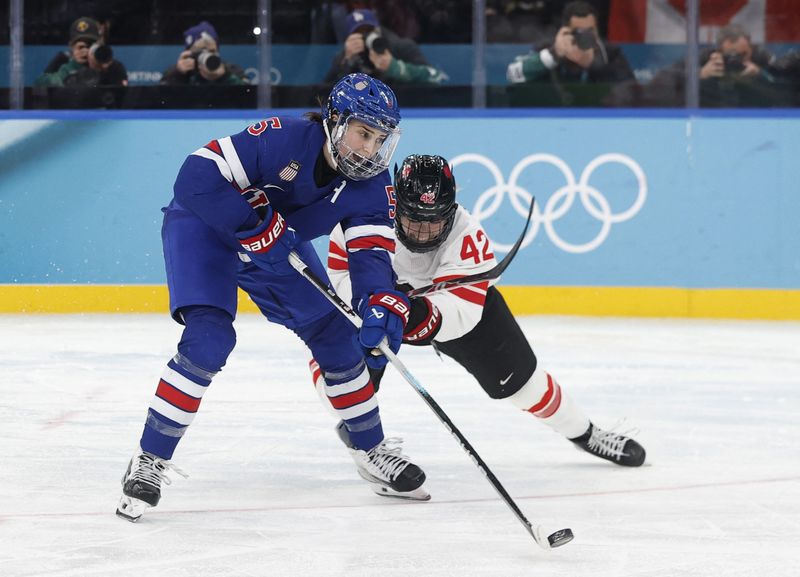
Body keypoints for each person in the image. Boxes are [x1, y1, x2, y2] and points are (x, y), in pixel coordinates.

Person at [116, 73, 429, 523]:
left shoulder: (373, 184)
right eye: (364, 133)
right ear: (335, 121)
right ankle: (149, 457)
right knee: (209, 340)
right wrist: (251, 226)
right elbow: (195, 176)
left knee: (336, 337)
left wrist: (380, 301)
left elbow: (370, 256)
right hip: (205, 229)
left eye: (380, 139)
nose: (370, 149)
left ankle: (370, 449)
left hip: (277, 247)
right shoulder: (282, 137)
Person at [310, 154, 646, 487]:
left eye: (434, 221)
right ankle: (364, 440)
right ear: (396, 207)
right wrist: (378, 306)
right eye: (414, 219)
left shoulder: (467, 235)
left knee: (524, 385)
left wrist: (412, 313)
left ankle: (586, 433)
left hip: (440, 311)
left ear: (451, 211)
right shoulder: (365, 216)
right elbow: (340, 279)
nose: (423, 232)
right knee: (339, 368)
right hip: (374, 307)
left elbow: (460, 315)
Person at [506, 1, 633, 86]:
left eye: (590, 31)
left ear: (597, 30)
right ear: (566, 31)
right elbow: (512, 75)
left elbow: (629, 89)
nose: (585, 36)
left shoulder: (610, 53)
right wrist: (554, 55)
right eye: (579, 31)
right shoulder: (549, 47)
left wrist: (594, 66)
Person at [323, 8, 448, 87]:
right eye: (359, 33)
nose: (365, 36)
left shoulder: (400, 47)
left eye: (369, 30)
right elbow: (324, 92)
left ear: (378, 30)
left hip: (405, 107)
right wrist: (345, 63)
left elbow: (436, 77)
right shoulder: (345, 56)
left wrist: (395, 67)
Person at [35, 16, 128, 87]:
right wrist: (73, 66)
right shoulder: (63, 60)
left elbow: (122, 96)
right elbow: (39, 84)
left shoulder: (110, 65)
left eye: (91, 44)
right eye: (81, 46)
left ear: (99, 43)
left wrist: (101, 70)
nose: (85, 50)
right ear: (71, 47)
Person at [161, 21, 248, 86]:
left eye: (212, 51)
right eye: (201, 51)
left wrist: (224, 76)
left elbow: (248, 96)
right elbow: (161, 99)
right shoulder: (180, 72)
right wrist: (178, 74)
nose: (207, 55)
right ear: (188, 52)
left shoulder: (231, 70)